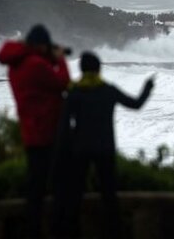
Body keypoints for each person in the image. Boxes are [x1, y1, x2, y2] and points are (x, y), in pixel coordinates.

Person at [55, 51, 154, 237]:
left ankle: (71, 233)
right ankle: (114, 232)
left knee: (75, 195)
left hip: (80, 150)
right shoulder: (108, 90)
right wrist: (148, 88)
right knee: (109, 196)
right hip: (105, 149)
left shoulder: (74, 93)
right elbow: (136, 104)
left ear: (81, 69)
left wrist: (62, 151)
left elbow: (63, 126)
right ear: (99, 69)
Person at [0, 24, 71, 238]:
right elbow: (63, 82)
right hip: (46, 132)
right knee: (56, 187)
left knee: (36, 186)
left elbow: (41, 84)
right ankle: (50, 231)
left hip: (31, 130)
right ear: (40, 45)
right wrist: (61, 59)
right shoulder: (35, 65)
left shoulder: (17, 64)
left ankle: (33, 229)